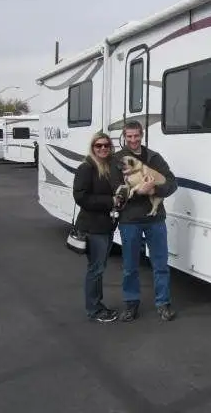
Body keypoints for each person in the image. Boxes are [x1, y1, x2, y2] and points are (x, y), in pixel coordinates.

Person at [111, 120, 178, 322]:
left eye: (136, 136)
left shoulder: (154, 158)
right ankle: (131, 304)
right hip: (129, 220)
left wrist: (154, 189)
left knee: (160, 264)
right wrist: (138, 192)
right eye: (129, 136)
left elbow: (172, 183)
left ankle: (163, 304)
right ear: (124, 136)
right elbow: (114, 187)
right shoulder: (118, 159)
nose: (133, 140)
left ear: (142, 135)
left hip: (155, 219)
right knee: (130, 266)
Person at [72, 132, 119, 323]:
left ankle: (98, 305)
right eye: (98, 146)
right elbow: (80, 197)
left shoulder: (110, 167)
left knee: (99, 268)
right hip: (92, 228)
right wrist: (110, 201)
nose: (103, 149)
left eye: (106, 145)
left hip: (106, 226)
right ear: (92, 148)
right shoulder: (86, 168)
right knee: (96, 269)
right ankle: (94, 309)